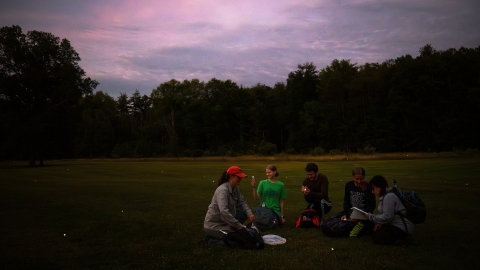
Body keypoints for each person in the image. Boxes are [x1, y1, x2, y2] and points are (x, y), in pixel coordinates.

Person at [202, 165, 256, 245]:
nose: (240, 179)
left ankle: (230, 230)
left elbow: (242, 202)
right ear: (231, 176)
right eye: (238, 177)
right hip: (215, 225)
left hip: (225, 222)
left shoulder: (235, 188)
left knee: (243, 213)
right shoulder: (222, 190)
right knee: (235, 242)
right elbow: (224, 212)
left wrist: (249, 213)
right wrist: (239, 226)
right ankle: (211, 240)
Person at [364, 175, 415, 245]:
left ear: (379, 187)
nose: (372, 192)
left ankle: (403, 241)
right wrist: (381, 223)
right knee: (374, 235)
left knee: (377, 238)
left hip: (402, 226)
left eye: (373, 188)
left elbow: (387, 217)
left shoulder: (389, 197)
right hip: (395, 224)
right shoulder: (386, 195)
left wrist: (370, 216)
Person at [338, 167, 376, 236]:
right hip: (351, 213)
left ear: (364, 177)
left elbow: (372, 205)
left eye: (361, 179)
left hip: (364, 215)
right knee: (341, 223)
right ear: (353, 177)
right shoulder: (349, 185)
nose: (359, 181)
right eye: (356, 179)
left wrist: (359, 215)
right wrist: (345, 214)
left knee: (354, 232)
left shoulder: (368, 187)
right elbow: (346, 201)